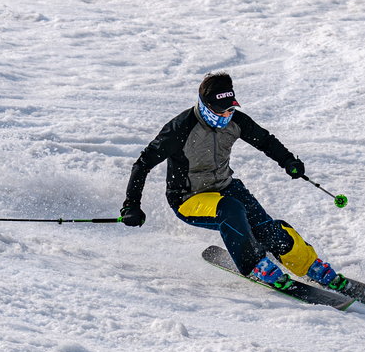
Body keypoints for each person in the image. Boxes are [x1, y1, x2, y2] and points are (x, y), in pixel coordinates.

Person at [119, 72, 346, 292]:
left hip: (225, 187)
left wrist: (287, 160)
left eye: (230, 109)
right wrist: (131, 205)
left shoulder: (235, 120)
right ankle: (256, 266)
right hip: (188, 198)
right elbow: (142, 164)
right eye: (220, 111)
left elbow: (264, 140)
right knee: (231, 209)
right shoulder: (180, 129)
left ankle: (310, 266)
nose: (226, 115)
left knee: (266, 227)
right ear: (205, 106)